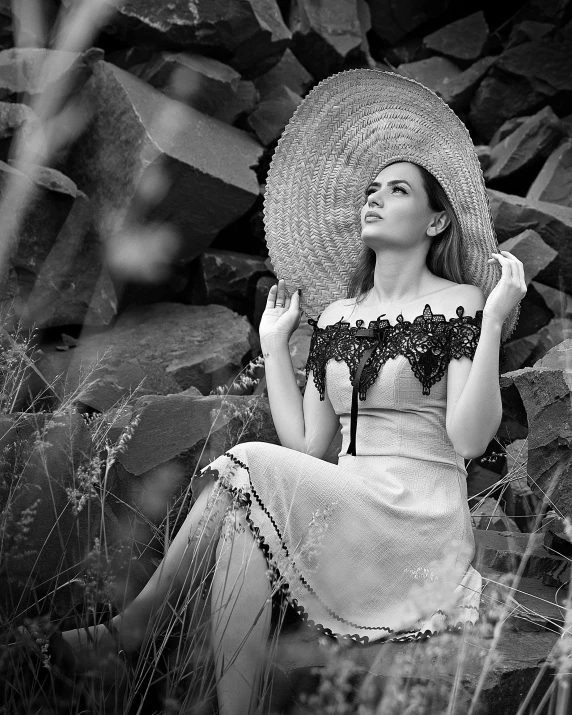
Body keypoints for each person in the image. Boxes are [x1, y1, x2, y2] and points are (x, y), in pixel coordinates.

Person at [17, 70, 525, 715]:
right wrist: (275, 346)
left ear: (435, 223)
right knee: (242, 519)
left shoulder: (462, 303)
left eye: (397, 191)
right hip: (344, 498)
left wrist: (492, 321)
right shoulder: (337, 316)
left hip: (417, 515)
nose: (374, 198)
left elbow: (471, 438)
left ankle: (134, 630)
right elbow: (308, 445)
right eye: (371, 188)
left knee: (249, 474)